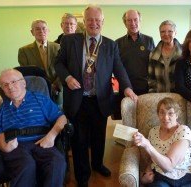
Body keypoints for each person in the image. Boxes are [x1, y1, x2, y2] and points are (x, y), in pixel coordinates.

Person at [54, 5, 138, 187]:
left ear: (102, 22)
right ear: (84, 22)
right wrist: (67, 77)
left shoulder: (110, 44)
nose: (94, 23)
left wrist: (127, 88)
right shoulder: (70, 41)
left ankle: (98, 164)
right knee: (79, 140)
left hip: (100, 99)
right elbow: (58, 63)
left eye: (97, 20)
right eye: (90, 20)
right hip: (77, 99)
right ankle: (82, 175)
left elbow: (119, 69)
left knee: (99, 136)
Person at [0, 69, 67, 187]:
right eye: (5, 85)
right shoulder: (1, 110)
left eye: (13, 82)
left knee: (56, 162)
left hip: (42, 141)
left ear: (23, 83)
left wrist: (51, 136)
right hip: (16, 146)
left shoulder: (41, 100)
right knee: (26, 165)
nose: (10, 87)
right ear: (2, 89)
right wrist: (5, 147)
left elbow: (62, 119)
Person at [133, 97, 191, 186]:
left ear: (177, 115)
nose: (165, 117)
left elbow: (169, 166)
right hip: (160, 177)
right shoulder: (153, 132)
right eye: (162, 112)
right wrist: (145, 174)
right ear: (158, 114)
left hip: (185, 176)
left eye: (170, 113)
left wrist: (147, 145)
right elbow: (152, 158)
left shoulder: (183, 130)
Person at [18, 19, 61, 102]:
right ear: (32, 32)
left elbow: (63, 67)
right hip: (36, 91)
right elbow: (26, 74)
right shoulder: (24, 51)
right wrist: (42, 85)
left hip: (57, 91)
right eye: (37, 29)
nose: (41, 31)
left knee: (58, 113)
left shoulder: (58, 47)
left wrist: (56, 85)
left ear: (48, 30)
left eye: (44, 28)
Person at [116, 9, 155, 95]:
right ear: (125, 23)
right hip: (125, 89)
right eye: (129, 20)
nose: (133, 23)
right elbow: (116, 67)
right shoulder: (117, 43)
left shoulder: (149, 40)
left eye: (135, 19)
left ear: (139, 20)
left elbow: (154, 64)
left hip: (146, 89)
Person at [148, 20, 182, 93]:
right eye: (162, 32)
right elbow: (151, 78)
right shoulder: (153, 54)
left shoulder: (183, 53)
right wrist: (153, 95)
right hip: (159, 97)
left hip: (179, 96)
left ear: (175, 33)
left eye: (170, 31)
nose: (166, 34)